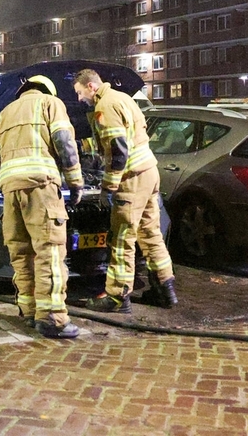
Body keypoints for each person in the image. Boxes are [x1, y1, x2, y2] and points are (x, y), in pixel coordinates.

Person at [0, 74, 85, 339]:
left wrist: (3, 182)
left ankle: (29, 311)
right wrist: (75, 182)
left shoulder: (5, 113)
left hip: (11, 190)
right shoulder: (50, 104)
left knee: (21, 252)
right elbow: (64, 142)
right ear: (46, 89)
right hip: (41, 187)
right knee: (49, 251)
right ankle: (52, 318)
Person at [72, 69, 178, 312]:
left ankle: (117, 297)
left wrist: (108, 187)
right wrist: (82, 145)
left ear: (91, 86)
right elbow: (120, 137)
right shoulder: (122, 98)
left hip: (131, 178)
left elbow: (118, 150)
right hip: (149, 172)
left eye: (79, 93)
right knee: (150, 234)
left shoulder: (105, 106)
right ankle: (165, 290)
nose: (79, 99)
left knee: (121, 238)